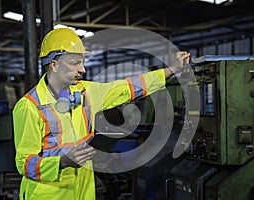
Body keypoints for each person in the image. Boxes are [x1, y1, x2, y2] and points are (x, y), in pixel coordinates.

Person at [12, 27, 190, 200]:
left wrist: (170, 70)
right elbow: (24, 163)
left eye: (82, 62)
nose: (83, 70)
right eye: (75, 63)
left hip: (83, 190)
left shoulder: (86, 93)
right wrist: (62, 162)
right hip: (48, 195)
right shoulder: (30, 107)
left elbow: (127, 87)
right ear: (54, 65)